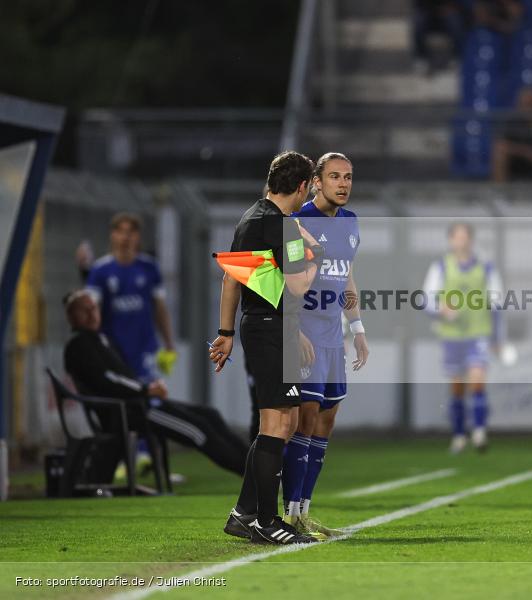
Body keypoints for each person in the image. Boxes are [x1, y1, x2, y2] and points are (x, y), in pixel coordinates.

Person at [211, 151, 324, 545]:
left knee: (284, 423)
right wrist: (317, 257)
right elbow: (297, 287)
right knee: (276, 423)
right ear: (303, 186)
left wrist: (225, 332)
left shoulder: (253, 217)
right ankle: (266, 519)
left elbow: (231, 279)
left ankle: (244, 513)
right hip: (269, 330)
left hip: (261, 326)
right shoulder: (282, 227)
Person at [63, 290, 248, 478]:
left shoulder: (99, 339)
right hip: (129, 411)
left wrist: (147, 387)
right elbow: (108, 379)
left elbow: (121, 377)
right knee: (198, 432)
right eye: (84, 310)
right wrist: (146, 389)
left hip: (140, 404)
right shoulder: (78, 345)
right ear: (71, 316)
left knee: (210, 415)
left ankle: (258, 466)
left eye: (93, 308)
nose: (91, 313)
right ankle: (252, 475)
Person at [280, 152, 369, 539]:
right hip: (306, 334)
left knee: (326, 421)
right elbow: (287, 280)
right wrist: (292, 330)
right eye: (334, 176)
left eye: (348, 176)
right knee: (305, 418)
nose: (343, 183)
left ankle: (304, 511)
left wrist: (359, 328)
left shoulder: (350, 224)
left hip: (334, 335)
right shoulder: (298, 224)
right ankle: (289, 515)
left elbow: (345, 276)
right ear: (316, 182)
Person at [422, 222, 502, 453]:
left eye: (465, 237)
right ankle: (458, 435)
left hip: (478, 332)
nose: (462, 241)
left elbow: (497, 303)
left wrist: (497, 338)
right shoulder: (441, 267)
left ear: (471, 240)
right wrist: (441, 309)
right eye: (457, 237)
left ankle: (479, 432)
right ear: (451, 241)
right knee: (457, 387)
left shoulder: (485, 268)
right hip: (451, 336)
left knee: (477, 381)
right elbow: (425, 299)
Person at [85, 213, 177, 383]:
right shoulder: (100, 271)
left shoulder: (149, 268)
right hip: (112, 349)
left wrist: (169, 343)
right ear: (113, 235)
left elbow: (160, 309)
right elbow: (91, 311)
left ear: (137, 236)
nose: (125, 237)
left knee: (148, 398)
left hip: (145, 349)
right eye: (120, 231)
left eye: (130, 232)